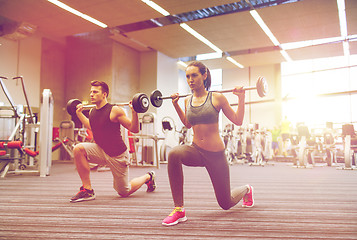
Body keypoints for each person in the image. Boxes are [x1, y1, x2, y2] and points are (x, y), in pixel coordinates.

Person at [162, 61, 254, 226]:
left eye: (194, 75)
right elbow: (188, 124)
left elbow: (238, 121)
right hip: (196, 150)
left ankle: (247, 189)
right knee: (174, 153)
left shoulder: (217, 97)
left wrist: (241, 98)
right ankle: (179, 210)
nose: (190, 79)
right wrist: (176, 105)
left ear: (204, 76)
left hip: (215, 155)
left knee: (226, 203)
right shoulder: (187, 100)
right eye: (188, 76)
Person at [70, 80, 156, 203]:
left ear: (104, 94)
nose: (91, 94)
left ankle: (148, 176)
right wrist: (79, 114)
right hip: (100, 150)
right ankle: (87, 190)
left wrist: (134, 111)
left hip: (117, 156)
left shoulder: (115, 110)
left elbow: (134, 129)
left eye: (95, 92)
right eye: (91, 92)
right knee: (78, 149)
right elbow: (92, 126)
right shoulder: (92, 111)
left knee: (124, 192)